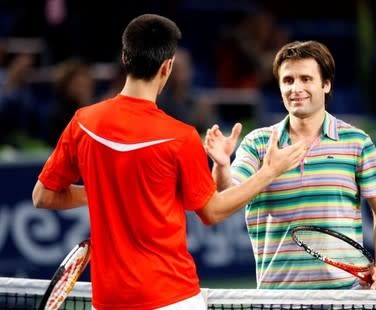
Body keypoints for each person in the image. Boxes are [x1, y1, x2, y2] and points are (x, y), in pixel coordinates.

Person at [31, 14, 306, 310]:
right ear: (167, 67)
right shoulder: (179, 137)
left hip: (110, 301)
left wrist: (107, 190)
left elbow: (43, 196)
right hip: (173, 298)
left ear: (125, 57)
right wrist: (269, 172)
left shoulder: (83, 123)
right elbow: (211, 212)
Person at [204, 40, 376, 290]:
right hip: (277, 300)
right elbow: (225, 196)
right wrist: (221, 166)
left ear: (326, 84)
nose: (296, 88)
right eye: (288, 81)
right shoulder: (258, 142)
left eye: (306, 79)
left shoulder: (357, 142)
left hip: (344, 299)